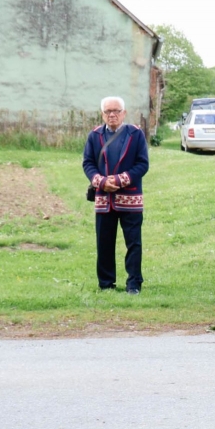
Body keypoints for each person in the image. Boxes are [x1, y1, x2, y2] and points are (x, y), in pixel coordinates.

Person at [82, 96, 150, 294]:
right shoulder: (94, 136)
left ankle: (134, 283)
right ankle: (106, 284)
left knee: (133, 243)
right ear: (102, 114)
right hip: (104, 199)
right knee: (104, 242)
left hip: (130, 198)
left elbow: (142, 164)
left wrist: (120, 180)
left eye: (116, 111)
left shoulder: (136, 134)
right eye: (108, 111)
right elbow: (88, 163)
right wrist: (101, 182)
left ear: (124, 113)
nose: (112, 115)